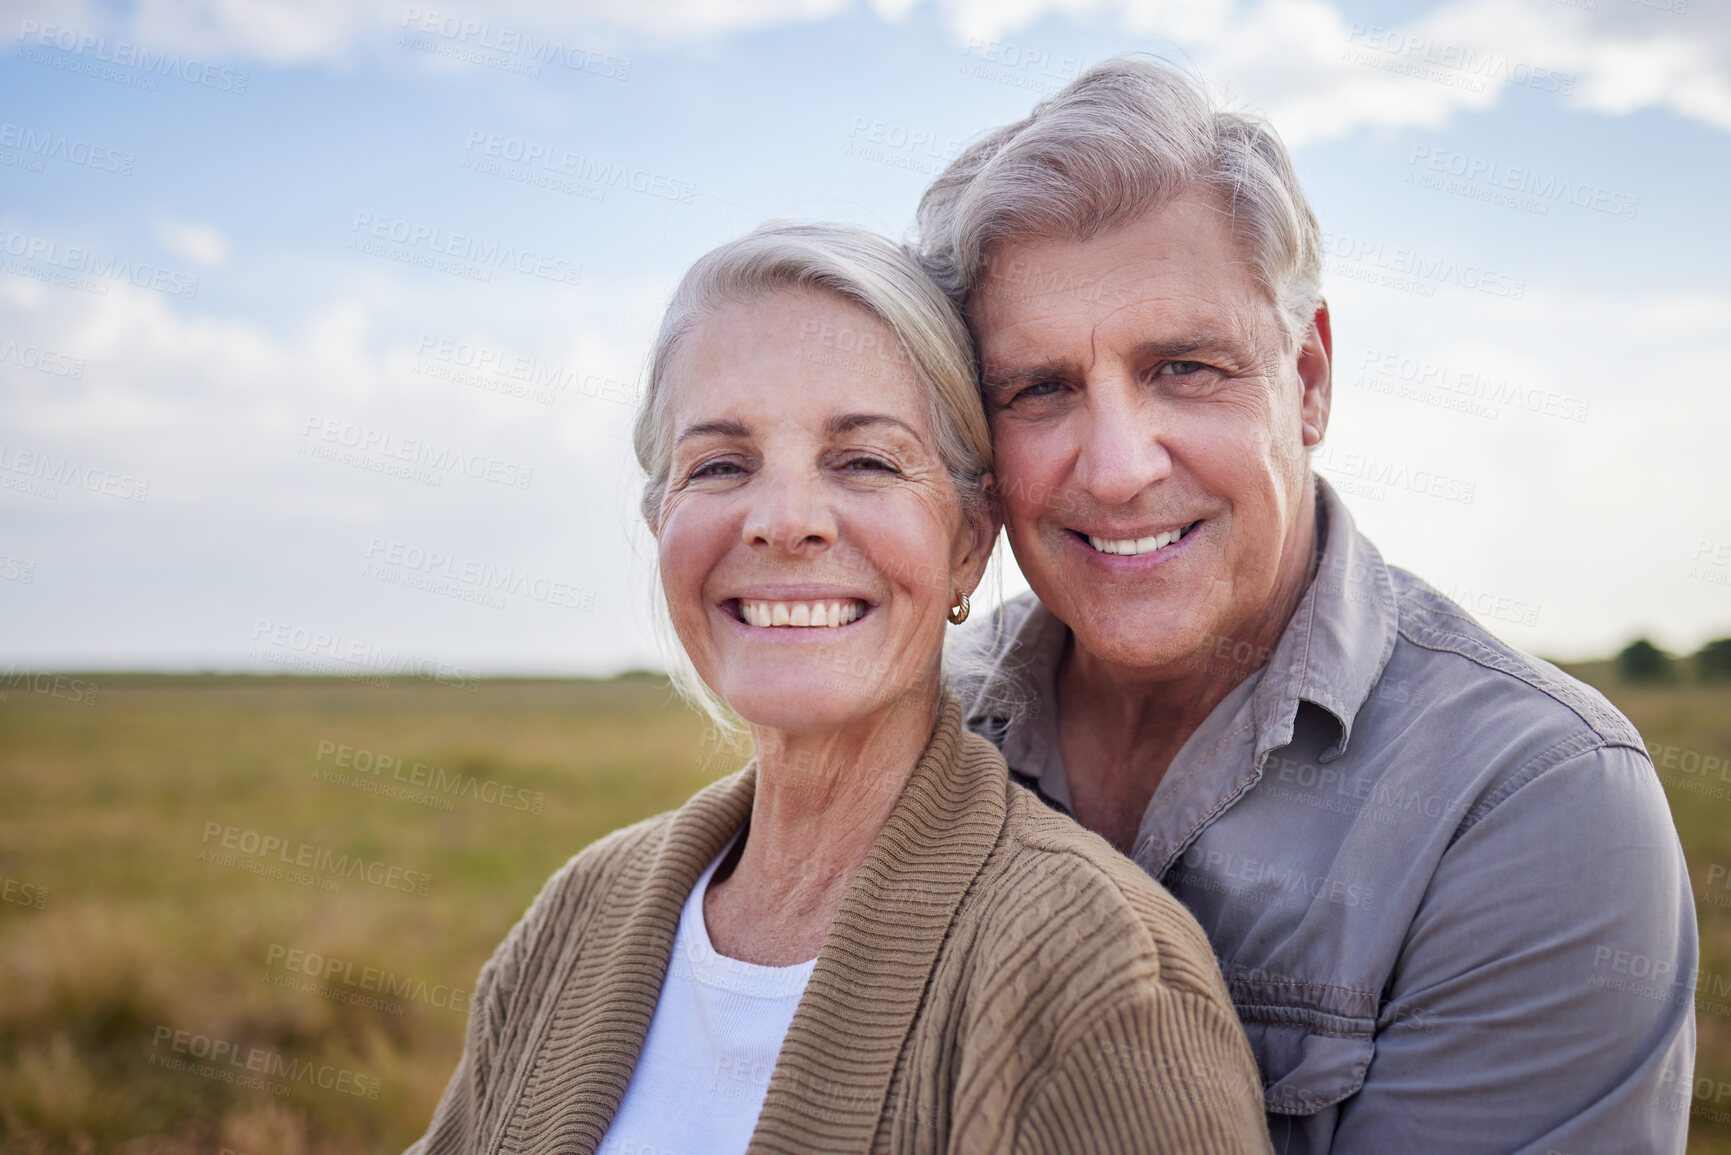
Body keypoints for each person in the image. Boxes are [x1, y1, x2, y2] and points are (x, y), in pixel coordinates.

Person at [916, 57, 1697, 1153]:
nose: (1120, 466)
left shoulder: (1535, 800)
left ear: (1311, 377)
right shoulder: (912, 731)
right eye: (1038, 390)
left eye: (1185, 367)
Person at [406, 222, 1272, 1155]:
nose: (783, 522)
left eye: (863, 460)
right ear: (661, 522)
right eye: (720, 465)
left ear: (970, 540)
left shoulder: (1100, 977)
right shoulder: (579, 916)